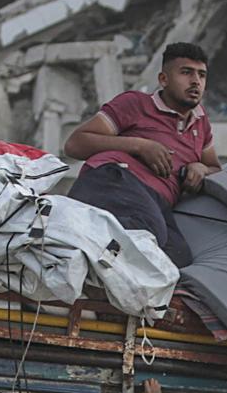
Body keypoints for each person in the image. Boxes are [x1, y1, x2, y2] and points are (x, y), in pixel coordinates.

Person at [62, 42, 218, 267]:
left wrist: (201, 168)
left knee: (178, 260)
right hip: (114, 180)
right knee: (144, 232)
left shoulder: (201, 124)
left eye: (201, 75)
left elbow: (215, 168)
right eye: (186, 72)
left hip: (157, 201)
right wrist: (140, 146)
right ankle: (74, 260)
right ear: (163, 79)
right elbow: (75, 145)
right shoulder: (136, 103)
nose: (196, 81)